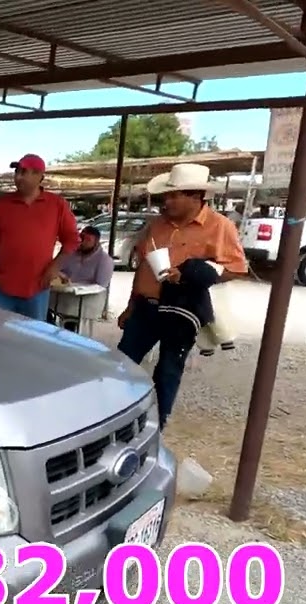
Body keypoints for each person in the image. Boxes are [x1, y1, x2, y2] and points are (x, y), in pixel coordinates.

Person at [116, 163, 248, 431]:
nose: (168, 201)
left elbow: (236, 269)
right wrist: (130, 306)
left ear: (196, 196)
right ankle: (113, 415)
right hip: (146, 307)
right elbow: (143, 266)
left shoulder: (219, 226)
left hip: (181, 309)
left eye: (175, 195)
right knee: (121, 364)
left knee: (168, 371)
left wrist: (191, 274)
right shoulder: (157, 225)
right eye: (167, 195)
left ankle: (155, 426)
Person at [0, 153, 80, 321]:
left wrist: (54, 267)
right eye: (16, 172)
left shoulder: (57, 205)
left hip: (37, 288)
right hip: (1, 287)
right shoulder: (2, 205)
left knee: (33, 338)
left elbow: (72, 239)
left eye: (23, 172)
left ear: (39, 176)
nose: (18, 177)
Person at [58, 225, 114, 289]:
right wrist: (61, 275)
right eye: (82, 238)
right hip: (65, 292)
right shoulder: (71, 253)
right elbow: (58, 269)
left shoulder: (104, 260)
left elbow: (101, 286)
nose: (83, 242)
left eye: (88, 240)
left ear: (96, 243)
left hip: (88, 296)